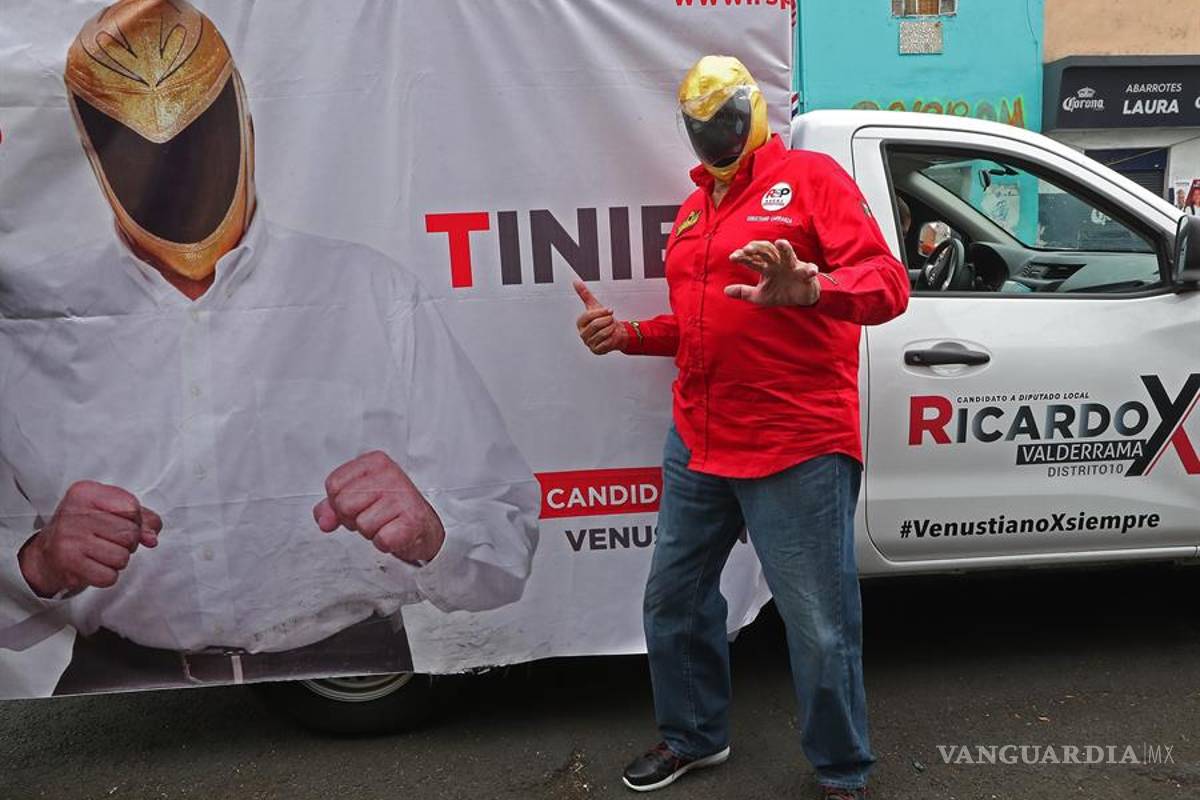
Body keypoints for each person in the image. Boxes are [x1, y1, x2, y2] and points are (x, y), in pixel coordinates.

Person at [0, 0, 539, 698]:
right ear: (94, 153)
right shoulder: (33, 322)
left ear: (245, 125)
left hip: (355, 665)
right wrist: (38, 562)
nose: (174, 174)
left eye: (197, 140)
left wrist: (433, 534)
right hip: (117, 673)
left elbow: (506, 537)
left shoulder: (369, 294)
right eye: (139, 151)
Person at [573, 56, 908, 799]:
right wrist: (626, 335)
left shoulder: (814, 182)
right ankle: (695, 736)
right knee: (673, 600)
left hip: (795, 442)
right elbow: (701, 327)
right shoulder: (694, 211)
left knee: (820, 625)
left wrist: (814, 286)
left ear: (752, 112)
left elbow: (888, 285)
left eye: (721, 119)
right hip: (700, 439)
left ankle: (841, 772)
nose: (710, 135)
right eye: (697, 124)